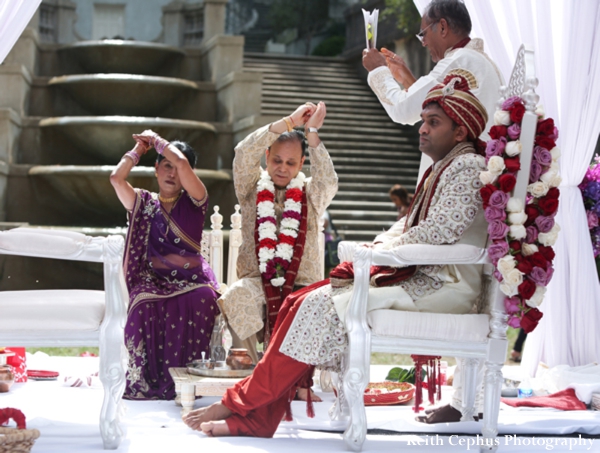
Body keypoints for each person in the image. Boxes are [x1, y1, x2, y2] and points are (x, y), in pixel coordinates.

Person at [182, 72, 490, 436]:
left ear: (460, 132)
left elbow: (440, 232)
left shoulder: (468, 167)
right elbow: (408, 227)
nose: (421, 129)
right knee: (303, 301)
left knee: (311, 303)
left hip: (441, 284)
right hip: (418, 275)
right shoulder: (446, 166)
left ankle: (243, 406)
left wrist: (376, 254)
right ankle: (253, 412)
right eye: (422, 120)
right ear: (268, 159)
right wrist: (377, 247)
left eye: (432, 122)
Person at [218, 102, 338, 366]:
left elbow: (329, 181)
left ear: (301, 163)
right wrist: (289, 122)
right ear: (266, 155)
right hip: (257, 282)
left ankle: (291, 381)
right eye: (276, 160)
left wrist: (313, 131)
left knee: (316, 302)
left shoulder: (310, 193)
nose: (283, 168)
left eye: (291, 162)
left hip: (300, 285)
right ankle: (247, 375)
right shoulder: (251, 187)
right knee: (237, 296)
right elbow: (243, 152)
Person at [110, 130, 220, 400]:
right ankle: (144, 381)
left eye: (178, 168)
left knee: (204, 297)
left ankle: (194, 378)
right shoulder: (143, 203)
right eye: (166, 165)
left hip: (191, 281)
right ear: (156, 168)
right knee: (141, 303)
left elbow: (182, 163)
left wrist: (156, 140)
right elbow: (116, 178)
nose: (172, 172)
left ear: (189, 174)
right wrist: (139, 148)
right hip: (154, 282)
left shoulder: (196, 201)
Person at [362, 0, 503, 138]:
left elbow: (402, 110)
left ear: (442, 27)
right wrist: (407, 79)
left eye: (423, 33)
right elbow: (434, 104)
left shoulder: (457, 62)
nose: (423, 43)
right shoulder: (475, 59)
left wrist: (378, 69)